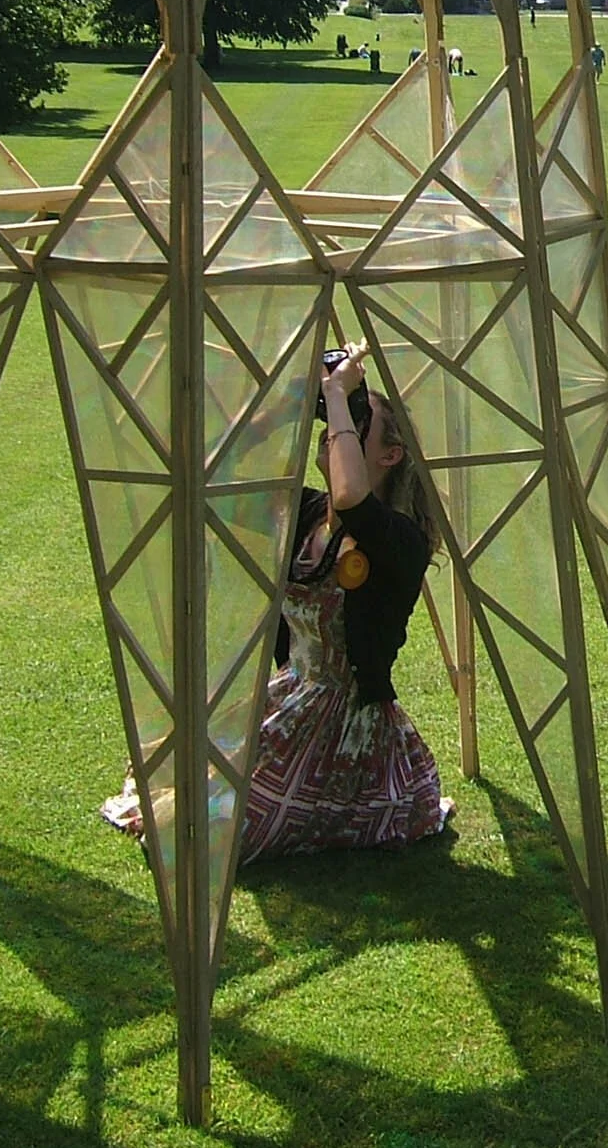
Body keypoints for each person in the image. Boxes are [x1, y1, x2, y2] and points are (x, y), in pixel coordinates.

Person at [102, 349, 450, 860]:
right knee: (177, 785)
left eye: (352, 428)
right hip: (290, 700)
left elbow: (354, 499)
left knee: (215, 832)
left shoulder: (401, 539)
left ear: (390, 455)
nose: (333, 433)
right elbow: (207, 477)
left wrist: (334, 396)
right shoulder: (307, 513)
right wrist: (287, 405)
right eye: (332, 425)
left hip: (346, 731)